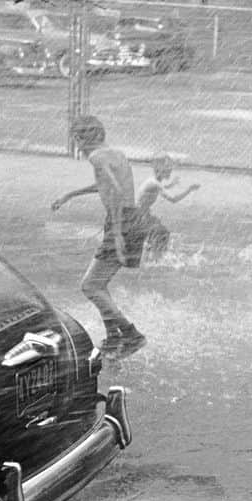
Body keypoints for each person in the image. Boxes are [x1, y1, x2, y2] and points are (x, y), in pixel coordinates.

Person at [51, 114, 147, 357]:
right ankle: (113, 337)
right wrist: (70, 195)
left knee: (90, 286)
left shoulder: (95, 157)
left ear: (86, 137)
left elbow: (114, 190)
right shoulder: (115, 153)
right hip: (133, 218)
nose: (76, 145)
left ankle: (130, 334)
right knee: (98, 284)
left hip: (121, 222)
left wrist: (116, 233)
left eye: (76, 138)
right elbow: (111, 185)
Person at [136, 151, 200, 262]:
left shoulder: (155, 182)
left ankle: (150, 258)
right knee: (162, 234)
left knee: (159, 235)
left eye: (170, 167)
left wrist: (171, 185)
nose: (170, 170)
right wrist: (189, 189)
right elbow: (173, 199)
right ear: (159, 169)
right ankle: (154, 260)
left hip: (141, 215)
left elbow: (162, 188)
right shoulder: (154, 183)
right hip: (139, 217)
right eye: (168, 168)